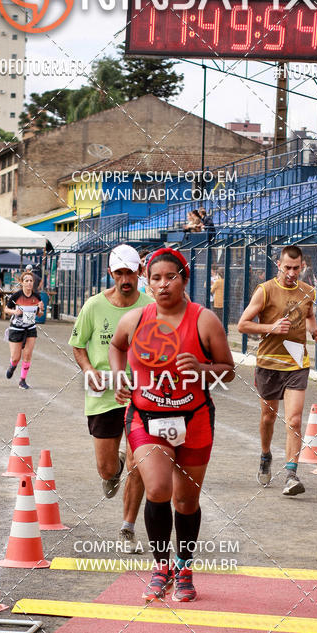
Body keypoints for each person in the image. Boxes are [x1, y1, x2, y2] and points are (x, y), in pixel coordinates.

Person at [109, 247, 235, 602]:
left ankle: (184, 565)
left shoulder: (204, 320)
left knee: (185, 500)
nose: (163, 284)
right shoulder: (135, 320)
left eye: (170, 277)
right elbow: (117, 347)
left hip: (194, 419)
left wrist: (203, 369)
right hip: (146, 419)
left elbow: (228, 370)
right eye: (156, 278)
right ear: (146, 283)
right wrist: (119, 376)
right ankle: (161, 565)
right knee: (159, 489)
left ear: (184, 279)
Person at [69, 244, 153, 550]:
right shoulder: (93, 306)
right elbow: (78, 344)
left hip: (140, 394)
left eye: (130, 272)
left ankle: (127, 528)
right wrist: (89, 369)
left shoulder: (150, 306)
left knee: (139, 461)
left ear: (139, 272)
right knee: (106, 469)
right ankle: (113, 469)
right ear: (111, 274)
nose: (125, 278)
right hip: (103, 394)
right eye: (119, 273)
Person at [238, 243, 317, 496]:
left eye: (296, 268)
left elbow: (309, 316)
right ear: (278, 264)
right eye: (287, 267)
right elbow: (243, 325)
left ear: (303, 266)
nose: (291, 272)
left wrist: (315, 332)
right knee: (268, 417)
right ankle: (266, 454)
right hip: (269, 363)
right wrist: (270, 328)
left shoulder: (308, 292)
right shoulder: (265, 291)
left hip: (297, 363)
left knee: (295, 420)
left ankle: (291, 475)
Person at [4, 270, 45, 390]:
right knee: (16, 357)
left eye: (31, 281)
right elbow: (6, 309)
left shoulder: (37, 296)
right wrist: (14, 312)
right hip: (16, 328)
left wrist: (41, 310)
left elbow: (39, 315)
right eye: (26, 281)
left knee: (27, 355)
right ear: (22, 283)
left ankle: (22, 380)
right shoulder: (16, 296)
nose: (29, 283)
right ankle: (12, 366)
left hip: (30, 328)